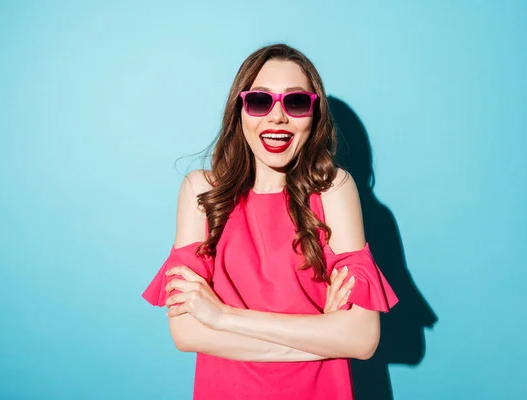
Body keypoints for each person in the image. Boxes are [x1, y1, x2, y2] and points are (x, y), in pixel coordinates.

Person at [142, 43, 398, 400]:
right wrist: (324, 335)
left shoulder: (333, 190)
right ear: (240, 110)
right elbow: (187, 333)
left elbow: (362, 338)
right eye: (260, 101)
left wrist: (221, 317)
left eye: (295, 103)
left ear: (315, 115)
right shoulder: (201, 192)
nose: (277, 116)